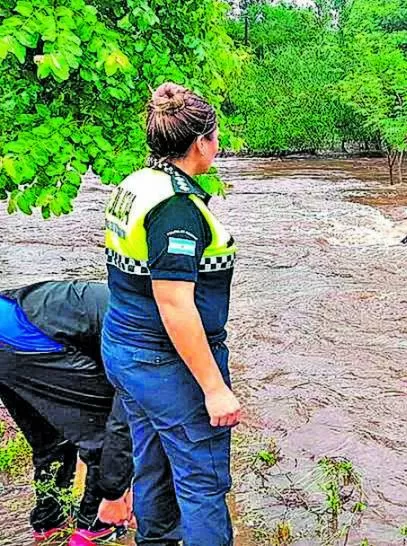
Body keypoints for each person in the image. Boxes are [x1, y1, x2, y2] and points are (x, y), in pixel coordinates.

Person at [101, 83, 239, 546]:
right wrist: (215, 389)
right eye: (215, 135)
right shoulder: (176, 210)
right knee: (203, 484)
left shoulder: (137, 183)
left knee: (153, 462)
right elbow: (175, 304)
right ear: (201, 143)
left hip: (125, 349)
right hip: (165, 363)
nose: (218, 143)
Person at [0, 281, 132, 545]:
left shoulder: (137, 302)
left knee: (52, 441)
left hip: (12, 324)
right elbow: (120, 419)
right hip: (30, 340)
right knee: (106, 432)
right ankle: (97, 526)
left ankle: (50, 523)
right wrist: (115, 492)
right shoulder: (145, 332)